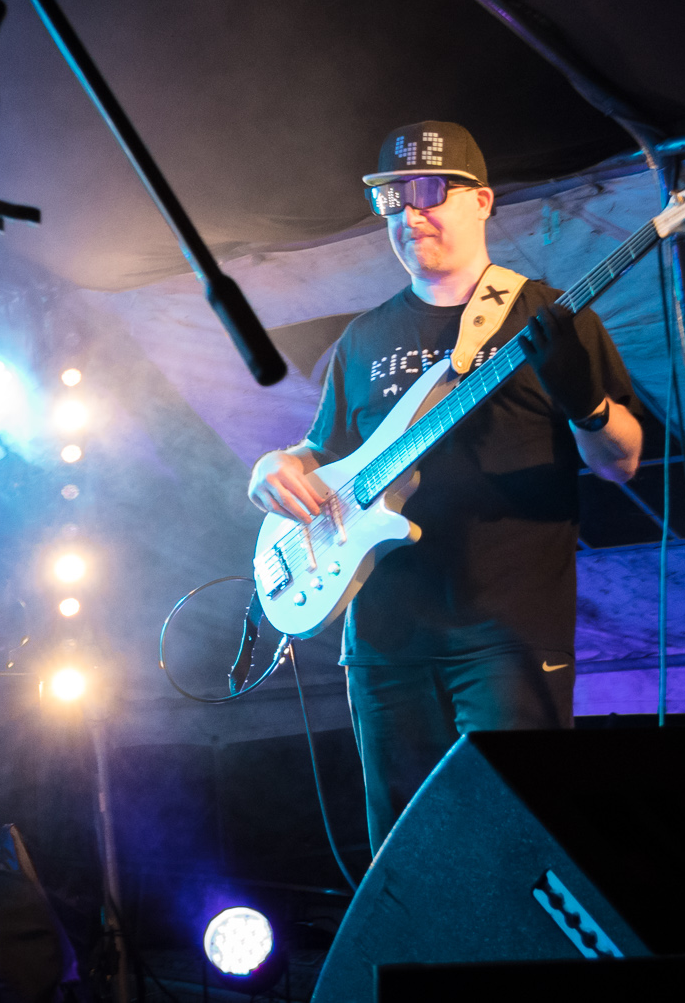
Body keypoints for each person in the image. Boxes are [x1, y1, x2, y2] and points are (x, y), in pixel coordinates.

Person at [247, 121, 643, 854]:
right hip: (384, 642)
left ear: (483, 200)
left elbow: (622, 461)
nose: (410, 213)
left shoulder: (550, 317)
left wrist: (586, 403)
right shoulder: (362, 337)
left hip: (508, 636)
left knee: (514, 846)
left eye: (430, 191)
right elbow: (322, 451)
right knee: (406, 859)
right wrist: (274, 465)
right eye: (392, 199)